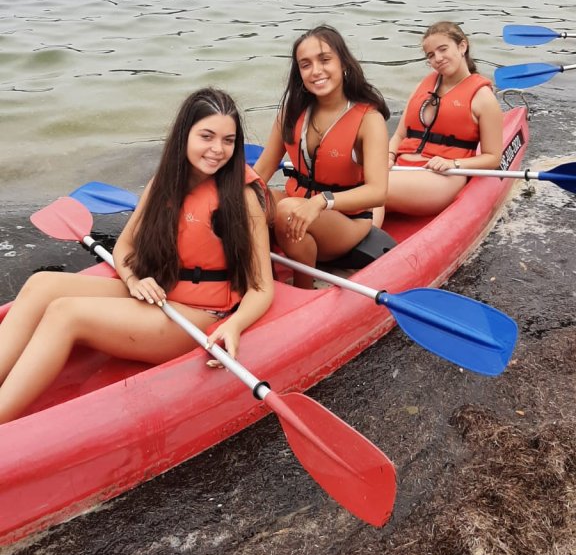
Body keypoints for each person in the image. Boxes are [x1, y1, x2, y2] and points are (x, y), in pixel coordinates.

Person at [0, 88, 274, 424]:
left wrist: (234, 326)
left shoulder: (242, 198)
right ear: (184, 135)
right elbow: (125, 248)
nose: (218, 149)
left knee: (65, 313)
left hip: (198, 314)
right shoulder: (163, 183)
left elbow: (262, 287)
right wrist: (133, 279)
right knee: (41, 284)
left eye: (228, 140)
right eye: (207, 136)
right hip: (160, 292)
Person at [254, 25, 390, 288]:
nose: (316, 70)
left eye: (325, 60)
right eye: (305, 65)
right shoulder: (290, 113)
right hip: (297, 205)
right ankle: (265, 280)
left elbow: (378, 192)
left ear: (343, 63)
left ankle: (304, 285)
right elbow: (260, 173)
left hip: (346, 221)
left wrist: (321, 201)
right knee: (251, 202)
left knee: (286, 211)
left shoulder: (369, 120)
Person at [384, 21, 503, 218]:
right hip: (401, 167)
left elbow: (493, 158)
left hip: (441, 176)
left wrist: (454, 164)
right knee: (350, 183)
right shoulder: (423, 86)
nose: (437, 58)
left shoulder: (483, 97)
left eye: (443, 49)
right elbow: (399, 135)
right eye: (431, 55)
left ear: (462, 46)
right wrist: (388, 156)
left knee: (374, 189)